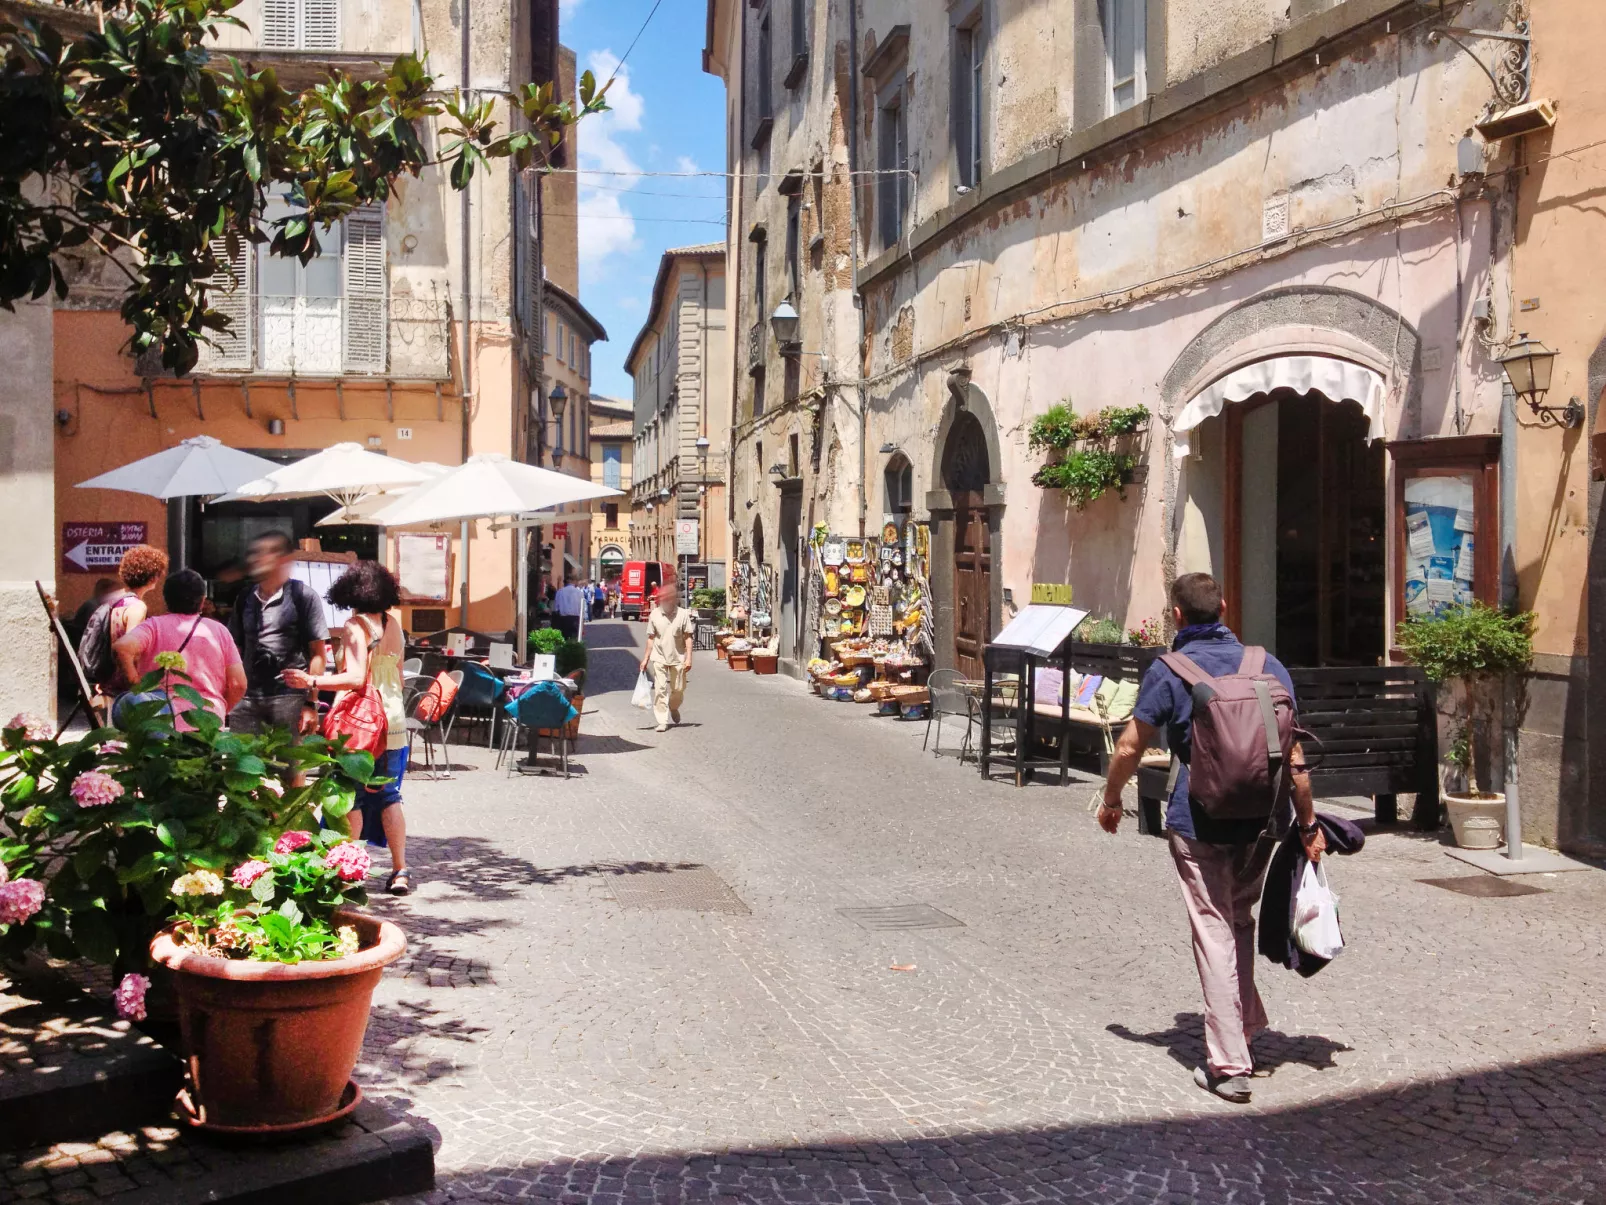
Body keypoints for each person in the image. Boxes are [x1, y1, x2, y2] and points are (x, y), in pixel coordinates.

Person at [1098, 572, 1325, 1105]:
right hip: (1263, 822)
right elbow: (1294, 758)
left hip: (1196, 820)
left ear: (1177, 615)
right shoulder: (1268, 666)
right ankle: (1243, 1025)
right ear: (1224, 606)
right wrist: (1309, 824)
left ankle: (1227, 1065)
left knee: (1213, 928)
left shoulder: (1169, 671)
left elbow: (1130, 747)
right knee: (1238, 917)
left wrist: (1111, 799)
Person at [282, 562, 413, 894]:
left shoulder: (356, 626)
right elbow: (397, 676)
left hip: (361, 725)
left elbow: (356, 678)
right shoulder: (394, 625)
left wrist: (312, 679)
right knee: (388, 795)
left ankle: (348, 872)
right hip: (393, 719)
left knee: (350, 796)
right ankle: (400, 871)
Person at [113, 568, 246, 729]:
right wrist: (221, 709)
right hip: (207, 721)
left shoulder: (153, 626)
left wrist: (137, 686)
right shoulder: (218, 631)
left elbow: (122, 648)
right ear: (203, 601)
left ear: (165, 599)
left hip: (160, 722)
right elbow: (239, 684)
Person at [227, 532, 328, 739]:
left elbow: (318, 654)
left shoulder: (303, 596)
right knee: (244, 767)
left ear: (283, 559)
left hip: (290, 699)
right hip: (247, 699)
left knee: (290, 767)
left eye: (262, 554)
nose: (255, 559)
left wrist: (311, 702)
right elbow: (234, 648)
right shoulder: (245, 597)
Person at [84, 547, 169, 699]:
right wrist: (138, 686)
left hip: (110, 682)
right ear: (152, 578)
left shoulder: (115, 602)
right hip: (125, 688)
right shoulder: (136, 607)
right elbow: (133, 652)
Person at [639, 580, 694, 733]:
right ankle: (662, 720)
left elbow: (688, 637)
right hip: (659, 657)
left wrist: (689, 657)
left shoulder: (683, 614)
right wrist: (646, 658)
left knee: (678, 689)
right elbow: (651, 638)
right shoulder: (655, 614)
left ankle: (673, 706)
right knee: (660, 689)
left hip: (678, 657)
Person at [552, 576, 585, 642]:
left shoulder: (560, 592)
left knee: (564, 638)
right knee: (574, 638)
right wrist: (582, 621)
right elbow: (582, 608)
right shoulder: (579, 592)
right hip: (575, 618)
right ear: (573, 581)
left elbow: (556, 607)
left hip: (563, 618)